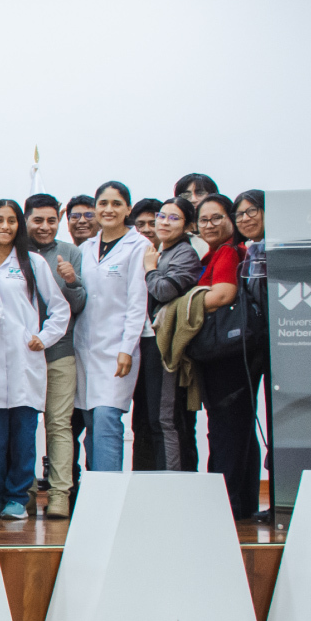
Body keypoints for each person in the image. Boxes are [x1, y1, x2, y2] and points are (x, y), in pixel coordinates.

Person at [0, 198, 69, 518]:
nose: (5, 226)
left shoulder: (32, 262)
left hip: (23, 360)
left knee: (23, 435)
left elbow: (60, 309)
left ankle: (17, 497)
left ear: (19, 226)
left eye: (12, 220)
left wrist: (42, 338)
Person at [74, 181, 149, 473]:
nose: (109, 209)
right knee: (91, 421)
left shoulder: (139, 246)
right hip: (85, 348)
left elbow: (137, 301)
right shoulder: (87, 247)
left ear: (128, 209)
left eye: (116, 204)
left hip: (117, 348)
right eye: (103, 203)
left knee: (106, 416)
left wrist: (127, 348)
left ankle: (108, 491)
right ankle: (95, 492)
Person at [195, 194, 260, 520]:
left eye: (217, 217)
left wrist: (182, 304)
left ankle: (224, 506)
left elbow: (223, 294)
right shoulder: (215, 253)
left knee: (226, 429)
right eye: (204, 220)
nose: (210, 225)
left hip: (228, 354)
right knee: (235, 429)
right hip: (228, 353)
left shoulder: (227, 252)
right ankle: (240, 504)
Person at [25, 194, 85, 517]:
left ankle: (60, 494)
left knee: (59, 424)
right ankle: (29, 492)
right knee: (24, 424)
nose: (45, 227)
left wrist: (72, 282)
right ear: (26, 219)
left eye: (51, 220)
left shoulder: (70, 252)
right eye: (38, 220)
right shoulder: (15, 252)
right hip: (23, 354)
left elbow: (79, 305)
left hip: (61, 352)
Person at [144, 196, 202, 472]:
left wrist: (150, 269)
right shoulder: (161, 250)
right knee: (153, 419)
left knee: (165, 419)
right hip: (150, 342)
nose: (164, 222)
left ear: (189, 225)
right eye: (162, 216)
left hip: (168, 346)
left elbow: (165, 291)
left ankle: (173, 482)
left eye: (174, 218)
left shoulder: (184, 254)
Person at [234, 188, 271, 520]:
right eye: (240, 214)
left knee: (278, 420)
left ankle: (283, 500)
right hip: (249, 348)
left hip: (284, 347)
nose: (245, 218)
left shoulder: (282, 251)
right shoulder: (244, 253)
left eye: (252, 211)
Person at [128, 198, 166, 469]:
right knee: (140, 416)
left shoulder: (175, 254)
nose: (147, 229)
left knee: (159, 417)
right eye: (139, 224)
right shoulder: (132, 253)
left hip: (159, 342)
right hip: (133, 341)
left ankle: (166, 480)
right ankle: (141, 478)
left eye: (153, 223)